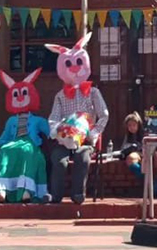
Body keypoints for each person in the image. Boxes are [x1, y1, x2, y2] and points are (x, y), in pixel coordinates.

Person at [46, 32, 109, 205]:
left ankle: (78, 195)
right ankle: (56, 196)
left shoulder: (94, 93)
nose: (74, 68)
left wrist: (93, 133)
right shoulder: (60, 96)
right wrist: (58, 131)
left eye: (78, 63)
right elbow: (53, 118)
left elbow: (104, 115)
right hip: (65, 141)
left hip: (86, 141)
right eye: (69, 64)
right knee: (58, 160)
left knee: (82, 157)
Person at [0, 68, 50, 203]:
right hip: (14, 142)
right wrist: (3, 144)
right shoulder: (11, 120)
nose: (20, 98)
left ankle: (27, 190)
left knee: (26, 151)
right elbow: (4, 137)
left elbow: (50, 130)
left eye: (24, 94)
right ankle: (2, 189)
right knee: (5, 151)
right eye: (16, 95)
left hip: (30, 144)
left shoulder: (37, 120)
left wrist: (62, 131)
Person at [121, 111, 145, 183]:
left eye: (134, 125)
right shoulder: (128, 136)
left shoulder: (142, 135)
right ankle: (145, 180)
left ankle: (149, 181)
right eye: (129, 125)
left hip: (142, 154)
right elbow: (123, 147)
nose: (132, 127)